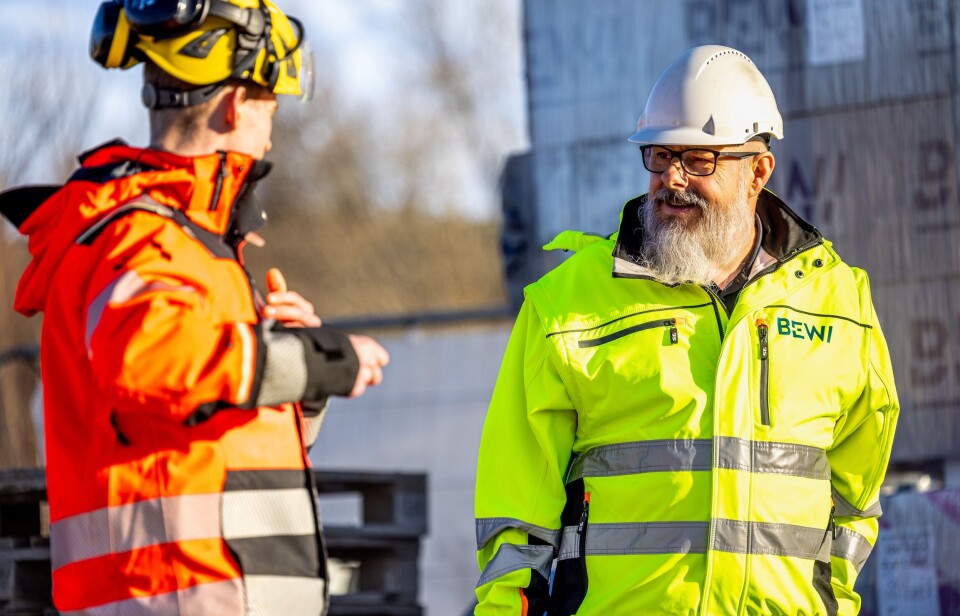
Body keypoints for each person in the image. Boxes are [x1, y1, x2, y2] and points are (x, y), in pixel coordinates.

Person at [474, 45, 899, 615]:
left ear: (758, 172)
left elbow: (855, 496)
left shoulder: (840, 304)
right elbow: (515, 507)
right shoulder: (565, 305)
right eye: (659, 156)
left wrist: (833, 600)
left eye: (699, 160)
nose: (672, 178)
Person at [0, 1, 389, 614]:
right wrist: (319, 360)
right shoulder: (143, 241)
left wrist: (298, 382)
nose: (270, 134)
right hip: (180, 597)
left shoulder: (189, 250)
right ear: (235, 105)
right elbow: (153, 361)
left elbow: (208, 432)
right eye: (269, 109)